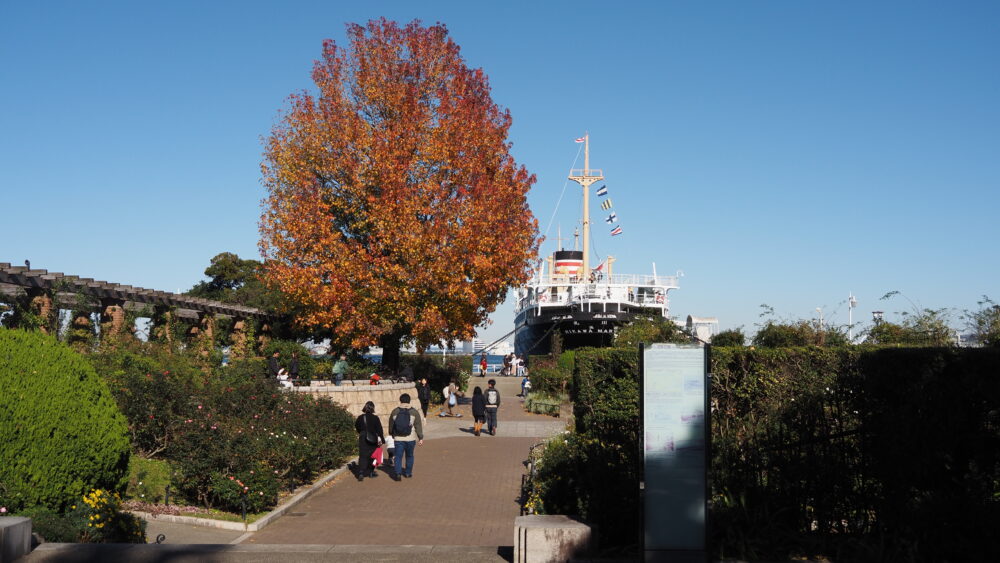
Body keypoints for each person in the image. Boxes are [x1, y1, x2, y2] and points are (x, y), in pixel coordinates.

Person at [388, 393, 424, 480]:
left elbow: (391, 425)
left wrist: (392, 434)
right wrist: (420, 437)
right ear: (409, 400)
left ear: (400, 400)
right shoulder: (414, 412)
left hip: (398, 438)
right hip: (410, 438)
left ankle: (398, 474)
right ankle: (408, 473)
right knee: (410, 456)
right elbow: (418, 426)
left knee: (398, 456)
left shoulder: (395, 411)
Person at [354, 401, 384, 481]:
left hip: (363, 438)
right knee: (373, 455)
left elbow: (357, 426)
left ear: (365, 407)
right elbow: (379, 429)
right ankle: (371, 472)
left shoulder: (360, 417)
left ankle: (361, 472)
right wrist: (382, 439)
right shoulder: (375, 418)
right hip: (373, 438)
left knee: (363, 455)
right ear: (373, 408)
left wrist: (362, 432)